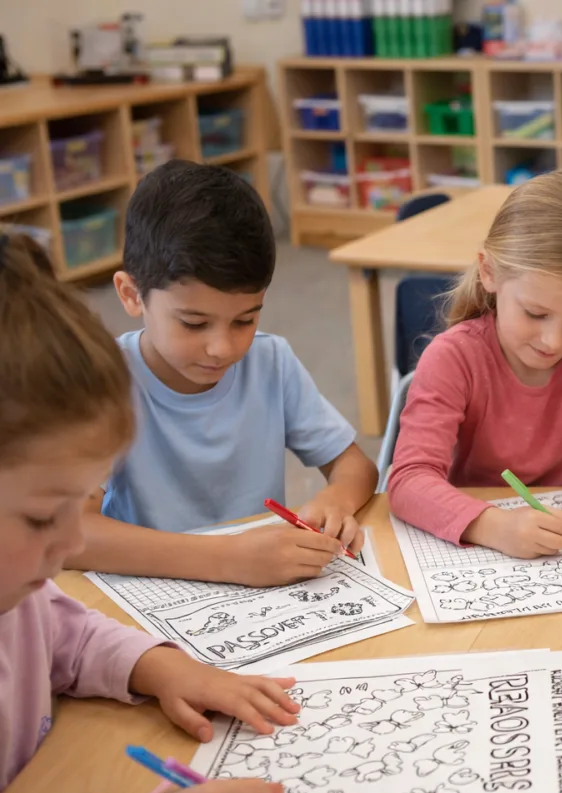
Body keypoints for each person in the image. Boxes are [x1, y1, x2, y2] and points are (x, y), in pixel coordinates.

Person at [0, 233, 296, 793]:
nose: (76, 538)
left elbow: (66, 634)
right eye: (40, 517)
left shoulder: (19, 594)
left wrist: (161, 667)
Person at [68, 161, 377, 587]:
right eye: (194, 324)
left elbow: (353, 464)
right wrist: (224, 559)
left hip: (260, 592)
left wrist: (336, 500)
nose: (224, 348)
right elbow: (69, 533)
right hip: (150, 597)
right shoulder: (102, 382)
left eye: (245, 320)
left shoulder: (270, 362)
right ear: (130, 294)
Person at [387, 170, 562, 558]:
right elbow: (408, 481)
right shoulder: (454, 358)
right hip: (482, 549)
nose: (553, 341)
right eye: (535, 313)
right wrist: (493, 525)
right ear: (489, 272)